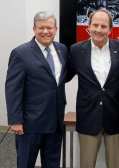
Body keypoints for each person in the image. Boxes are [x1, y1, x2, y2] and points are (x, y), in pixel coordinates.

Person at [67, 9, 119, 168]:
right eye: (95, 25)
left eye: (103, 26)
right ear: (88, 26)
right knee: (86, 164)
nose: (99, 30)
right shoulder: (76, 50)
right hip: (88, 117)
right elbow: (64, 76)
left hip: (115, 116)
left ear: (110, 29)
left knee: (115, 165)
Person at [5, 11, 69, 168]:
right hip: (29, 124)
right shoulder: (21, 53)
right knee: (26, 163)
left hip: (55, 123)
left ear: (56, 29)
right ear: (34, 29)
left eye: (49, 27)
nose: (45, 32)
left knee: (52, 164)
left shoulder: (62, 50)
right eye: (41, 28)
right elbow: (12, 89)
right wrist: (15, 120)